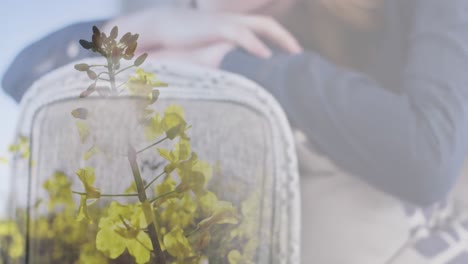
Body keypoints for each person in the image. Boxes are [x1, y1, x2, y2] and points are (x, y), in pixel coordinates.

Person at [4, 0, 468, 262]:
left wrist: (232, 63)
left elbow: (425, 159)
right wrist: (132, 28)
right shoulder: (183, 19)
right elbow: (26, 77)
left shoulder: (422, 13)